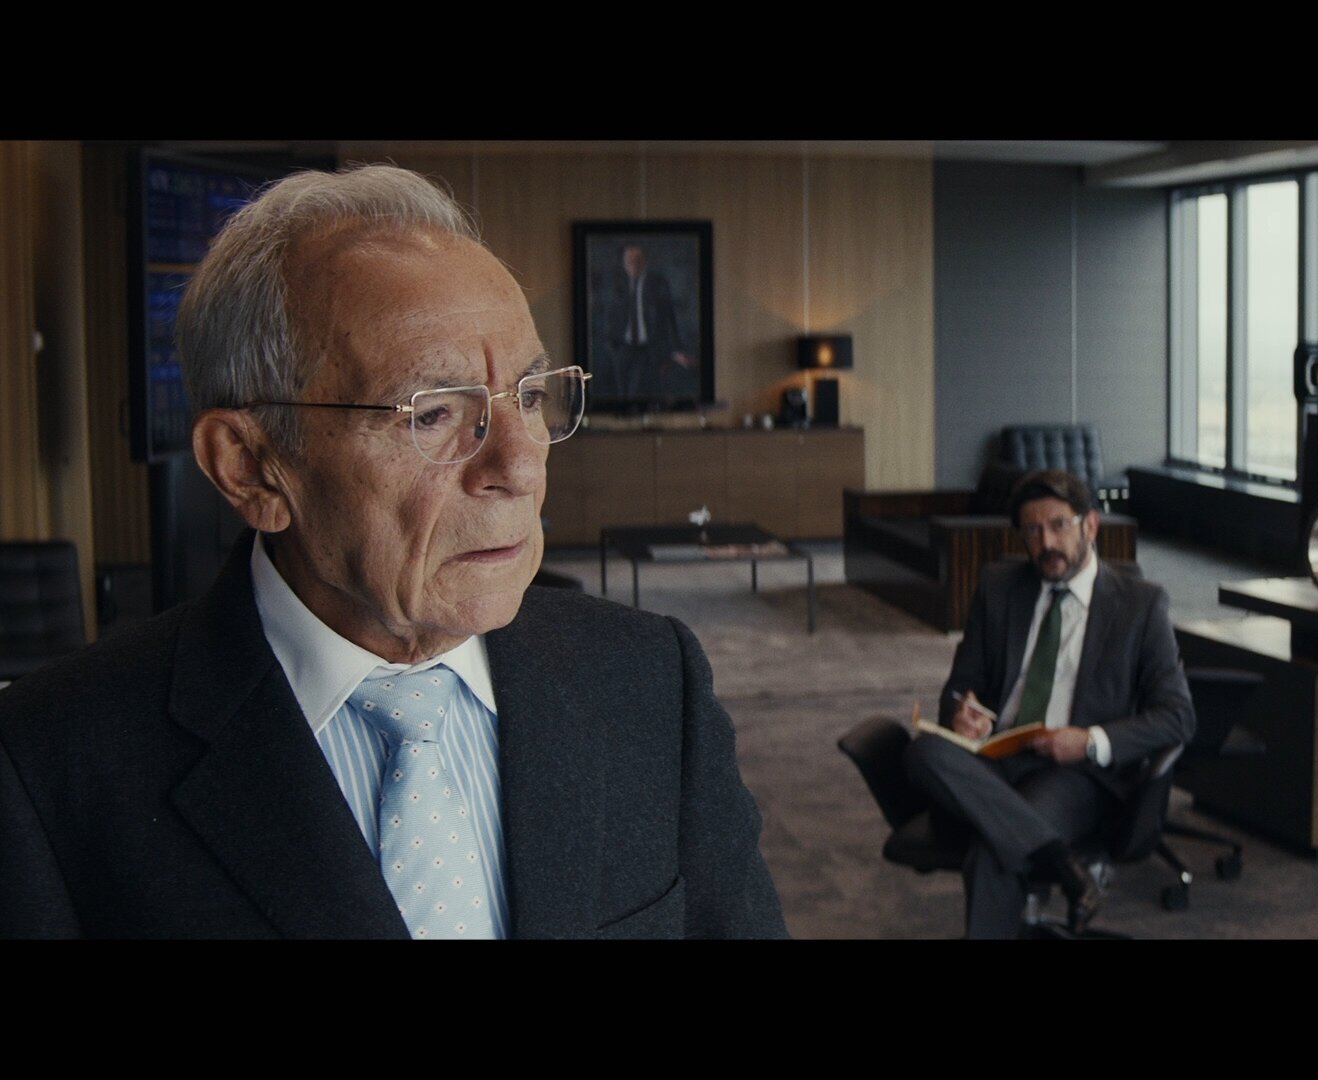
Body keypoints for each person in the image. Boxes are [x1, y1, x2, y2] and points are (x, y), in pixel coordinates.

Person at [0, 165, 786, 939]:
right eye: (433, 413)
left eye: (529, 395)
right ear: (251, 467)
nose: (520, 466)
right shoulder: (48, 765)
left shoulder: (651, 680)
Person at [904, 469, 1195, 938]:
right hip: (996, 756)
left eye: (1059, 525)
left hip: (1074, 773)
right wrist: (963, 713)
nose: (1046, 543)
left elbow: (1179, 715)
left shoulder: (1140, 606)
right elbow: (961, 685)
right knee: (923, 751)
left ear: (1090, 525)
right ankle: (1063, 866)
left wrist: (1090, 741)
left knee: (993, 852)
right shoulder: (1000, 587)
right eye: (1033, 531)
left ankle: (1040, 855)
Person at [592, 242, 699, 404]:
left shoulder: (657, 284)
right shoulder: (616, 286)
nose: (633, 264)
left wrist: (675, 349)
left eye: (637, 259)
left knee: (639, 392)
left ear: (645, 261)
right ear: (623, 263)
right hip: (622, 348)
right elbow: (606, 316)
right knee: (621, 396)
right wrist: (612, 344)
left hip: (648, 349)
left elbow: (669, 319)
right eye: (629, 260)